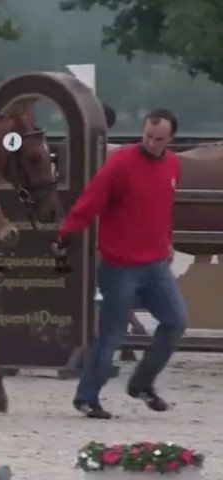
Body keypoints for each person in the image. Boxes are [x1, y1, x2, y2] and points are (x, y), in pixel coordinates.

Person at [52, 108, 187, 420]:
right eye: (148, 136)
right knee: (111, 334)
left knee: (176, 320)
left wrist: (167, 241)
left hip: (156, 265)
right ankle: (87, 397)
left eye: (159, 138)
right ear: (142, 132)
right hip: (119, 265)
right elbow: (91, 200)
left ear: (171, 138)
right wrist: (66, 232)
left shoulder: (173, 165)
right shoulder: (121, 164)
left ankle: (141, 383)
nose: (152, 142)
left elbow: (163, 209)